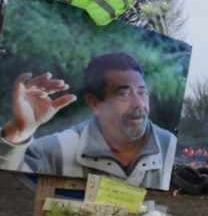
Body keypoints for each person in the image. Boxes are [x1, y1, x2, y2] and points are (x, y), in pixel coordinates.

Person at [0, 52, 176, 190]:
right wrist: (19, 130)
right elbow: (9, 180)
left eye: (143, 92)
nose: (139, 103)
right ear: (94, 104)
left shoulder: (169, 146)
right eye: (124, 93)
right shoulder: (59, 149)